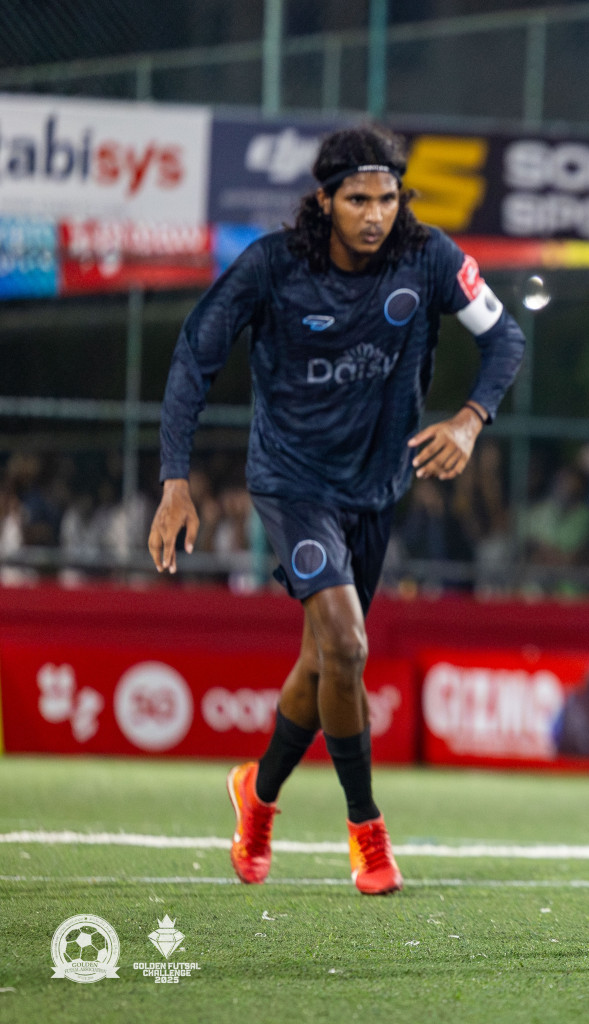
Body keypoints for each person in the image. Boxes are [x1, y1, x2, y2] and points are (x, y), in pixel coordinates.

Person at [147, 126, 524, 895]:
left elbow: (505, 338)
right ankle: (367, 832)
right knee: (349, 645)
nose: (375, 214)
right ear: (324, 200)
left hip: (376, 488)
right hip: (292, 485)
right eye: (357, 199)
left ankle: (257, 795)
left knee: (324, 660)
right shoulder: (272, 266)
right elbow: (194, 359)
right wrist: (174, 479)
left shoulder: (429, 257)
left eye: (387, 198)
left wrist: (469, 419)